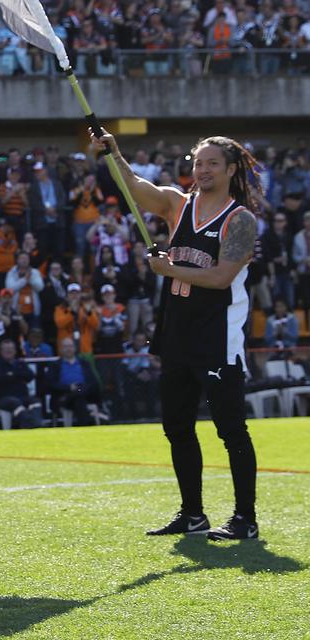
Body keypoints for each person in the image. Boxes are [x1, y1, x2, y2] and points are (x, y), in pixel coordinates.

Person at [96, 131, 261, 541]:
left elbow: (222, 276)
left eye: (212, 164)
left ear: (231, 169)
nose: (202, 170)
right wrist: (113, 152)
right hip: (177, 335)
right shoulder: (177, 205)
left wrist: (170, 271)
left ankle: (245, 519)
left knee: (231, 430)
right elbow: (134, 188)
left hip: (217, 337)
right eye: (197, 163)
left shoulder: (239, 219)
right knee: (177, 426)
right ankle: (193, 514)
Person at [0, 338, 42, 429]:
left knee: (35, 401)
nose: (9, 351)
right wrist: (17, 374)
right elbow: (0, 378)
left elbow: (30, 376)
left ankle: (37, 425)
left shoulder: (20, 363)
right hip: (3, 399)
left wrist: (13, 374)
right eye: (6, 349)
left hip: (22, 396)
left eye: (11, 349)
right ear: (1, 351)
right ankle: (29, 425)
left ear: (15, 351)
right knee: (15, 402)